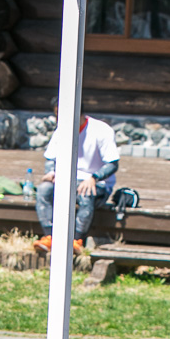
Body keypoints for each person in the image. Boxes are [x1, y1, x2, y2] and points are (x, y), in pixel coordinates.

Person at [32, 104, 120, 255]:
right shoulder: (61, 131)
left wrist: (94, 178)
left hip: (96, 182)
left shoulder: (101, 130)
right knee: (44, 189)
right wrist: (51, 172)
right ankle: (50, 236)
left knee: (85, 193)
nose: (60, 119)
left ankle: (77, 239)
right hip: (67, 180)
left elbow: (112, 164)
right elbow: (50, 158)